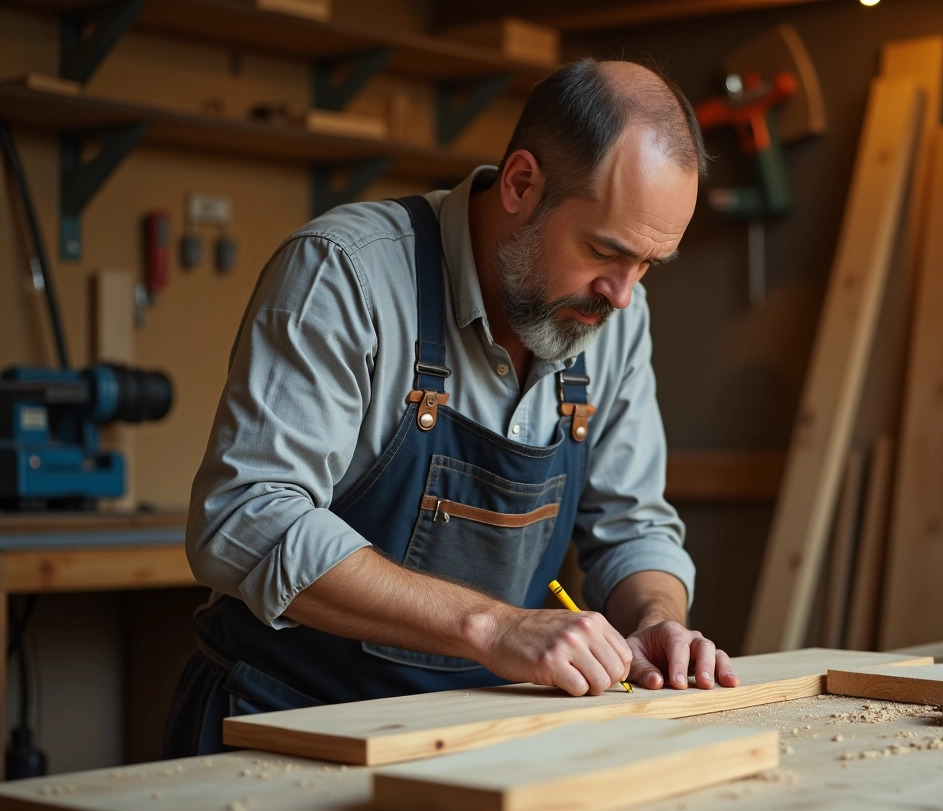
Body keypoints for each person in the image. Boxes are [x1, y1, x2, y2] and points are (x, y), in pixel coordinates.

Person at [163, 58, 737, 758]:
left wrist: (657, 619)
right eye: (605, 251)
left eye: (649, 264)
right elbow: (246, 516)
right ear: (523, 184)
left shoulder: (614, 311)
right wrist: (494, 629)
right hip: (288, 726)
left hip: (476, 736)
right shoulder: (347, 272)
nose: (621, 294)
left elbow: (632, 524)